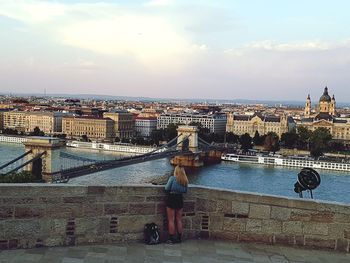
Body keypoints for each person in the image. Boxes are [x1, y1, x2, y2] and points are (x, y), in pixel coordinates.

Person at [164, 165, 188, 244]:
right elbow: (185, 191)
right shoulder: (185, 180)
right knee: (179, 219)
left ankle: (171, 239)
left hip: (172, 198)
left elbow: (166, 188)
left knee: (171, 220)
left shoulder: (172, 179)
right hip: (179, 199)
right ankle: (179, 238)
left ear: (176, 171)